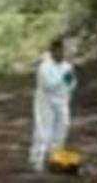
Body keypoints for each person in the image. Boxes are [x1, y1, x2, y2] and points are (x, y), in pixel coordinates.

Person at [29, 37, 75, 172]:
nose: (64, 53)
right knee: (44, 130)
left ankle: (55, 159)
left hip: (62, 102)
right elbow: (50, 85)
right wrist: (65, 79)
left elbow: (71, 84)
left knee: (63, 127)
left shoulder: (67, 66)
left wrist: (68, 81)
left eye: (65, 51)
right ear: (54, 51)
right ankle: (37, 160)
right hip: (46, 102)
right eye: (61, 50)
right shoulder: (44, 67)